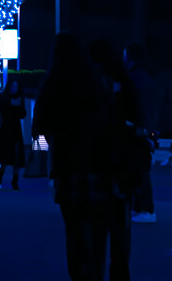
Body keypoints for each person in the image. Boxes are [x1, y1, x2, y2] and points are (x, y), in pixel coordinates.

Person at [38, 35, 137, 281]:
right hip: (100, 168)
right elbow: (113, 124)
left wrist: (43, 160)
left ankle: (80, 275)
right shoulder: (99, 84)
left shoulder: (52, 84)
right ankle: (97, 272)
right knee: (98, 231)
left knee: (74, 231)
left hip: (67, 169)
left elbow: (39, 129)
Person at [123, 42, 159, 224]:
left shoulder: (133, 78)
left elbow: (135, 105)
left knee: (137, 170)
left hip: (136, 130)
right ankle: (142, 207)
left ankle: (144, 208)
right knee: (139, 169)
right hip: (144, 130)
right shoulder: (147, 77)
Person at [0, 76, 26, 189]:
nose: (14, 88)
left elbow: (23, 114)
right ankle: (0, 177)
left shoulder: (19, 98)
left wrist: (18, 106)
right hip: (6, 130)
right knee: (5, 154)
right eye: (13, 86)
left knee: (16, 155)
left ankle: (14, 180)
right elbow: (2, 112)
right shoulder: (4, 98)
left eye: (16, 86)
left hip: (15, 129)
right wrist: (11, 104)